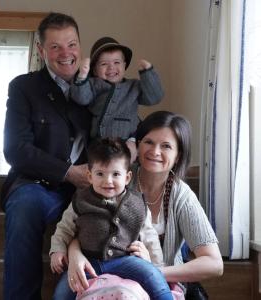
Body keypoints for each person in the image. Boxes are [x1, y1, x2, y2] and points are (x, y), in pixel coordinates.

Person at [64, 111, 224, 297]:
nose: (155, 151)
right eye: (149, 142)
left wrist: (150, 271)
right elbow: (83, 221)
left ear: (178, 155)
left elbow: (214, 263)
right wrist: (75, 253)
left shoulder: (181, 195)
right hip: (99, 274)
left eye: (166, 146)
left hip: (159, 281)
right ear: (138, 145)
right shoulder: (116, 177)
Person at [1, 12, 91, 300]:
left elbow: (125, 119)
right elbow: (16, 149)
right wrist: (68, 173)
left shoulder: (99, 86)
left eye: (72, 44)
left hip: (91, 186)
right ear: (41, 50)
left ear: (80, 45)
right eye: (55, 47)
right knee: (26, 206)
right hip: (38, 185)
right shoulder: (23, 87)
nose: (66, 54)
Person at [50, 137, 173, 300]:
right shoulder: (80, 200)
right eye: (100, 174)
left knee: (154, 277)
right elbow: (64, 228)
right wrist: (57, 250)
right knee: (63, 291)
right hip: (89, 262)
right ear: (89, 176)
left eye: (116, 174)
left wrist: (156, 263)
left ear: (127, 177)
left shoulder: (137, 203)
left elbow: (150, 236)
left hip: (125, 260)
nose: (108, 181)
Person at [70, 36, 164, 161]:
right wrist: (82, 76)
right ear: (95, 70)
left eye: (117, 62)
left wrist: (148, 73)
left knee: (125, 169)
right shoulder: (94, 84)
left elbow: (154, 97)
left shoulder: (133, 86)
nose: (111, 68)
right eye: (104, 64)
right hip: (98, 144)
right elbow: (81, 98)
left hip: (126, 141)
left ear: (124, 65)